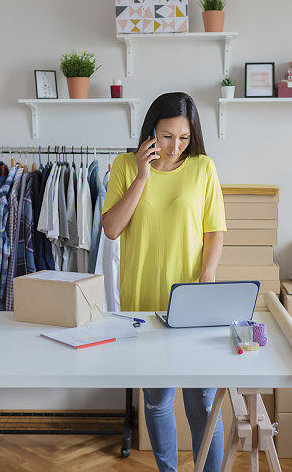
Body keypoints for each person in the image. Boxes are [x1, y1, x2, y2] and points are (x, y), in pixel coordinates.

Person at [101, 92, 226, 472]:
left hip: (190, 301)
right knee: (156, 399)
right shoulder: (125, 165)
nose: (175, 147)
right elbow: (111, 228)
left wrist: (207, 274)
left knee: (202, 401)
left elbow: (215, 231)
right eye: (167, 136)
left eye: (184, 138)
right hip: (141, 300)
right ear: (151, 130)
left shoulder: (203, 167)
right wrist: (142, 175)